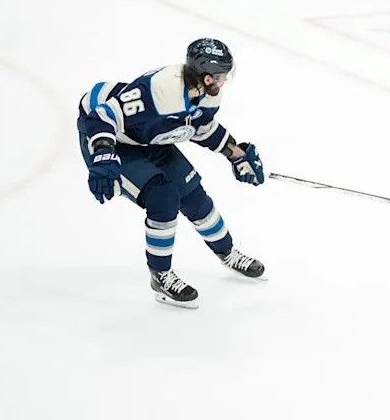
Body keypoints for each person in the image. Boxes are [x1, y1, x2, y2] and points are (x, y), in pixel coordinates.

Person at [78, 38, 266, 308]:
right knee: (163, 197)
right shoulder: (159, 92)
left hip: (145, 136)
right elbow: (100, 117)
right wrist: (104, 155)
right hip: (109, 135)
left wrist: (236, 155)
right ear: (207, 77)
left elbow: (200, 127)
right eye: (222, 75)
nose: (226, 80)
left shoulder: (208, 93)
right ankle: (161, 276)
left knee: (193, 195)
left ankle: (228, 252)